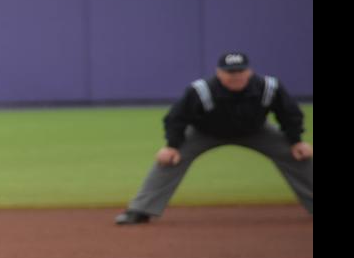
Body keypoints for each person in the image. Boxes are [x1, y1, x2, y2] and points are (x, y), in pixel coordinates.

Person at [114, 52, 313, 224]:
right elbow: (177, 118)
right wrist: (172, 146)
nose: (236, 76)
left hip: (256, 131)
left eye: (240, 71)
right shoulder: (201, 90)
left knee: (297, 155)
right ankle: (140, 210)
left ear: (249, 72)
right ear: (219, 73)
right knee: (170, 160)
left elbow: (289, 114)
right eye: (230, 72)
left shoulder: (269, 87)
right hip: (205, 133)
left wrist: (296, 141)